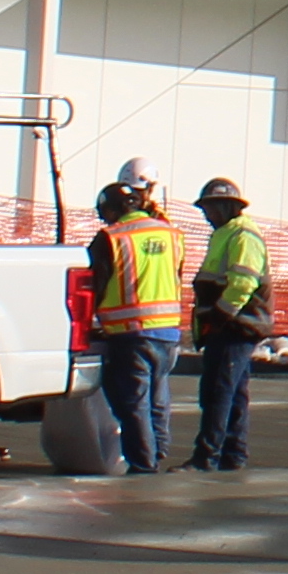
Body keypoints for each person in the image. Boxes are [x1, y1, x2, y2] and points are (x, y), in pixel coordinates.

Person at [86, 177, 187, 480]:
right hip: (168, 330)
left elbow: (97, 284)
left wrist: (91, 321)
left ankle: (144, 463)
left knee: (133, 402)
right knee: (157, 396)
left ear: (113, 210)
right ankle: (158, 449)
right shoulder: (171, 233)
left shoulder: (111, 237)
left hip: (131, 332)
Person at [183, 176, 274, 475]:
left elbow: (243, 283)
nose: (206, 215)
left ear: (226, 207)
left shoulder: (242, 236)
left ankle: (206, 457)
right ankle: (233, 455)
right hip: (232, 326)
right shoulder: (228, 233)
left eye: (210, 208)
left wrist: (220, 316)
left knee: (218, 392)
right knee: (233, 393)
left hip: (234, 327)